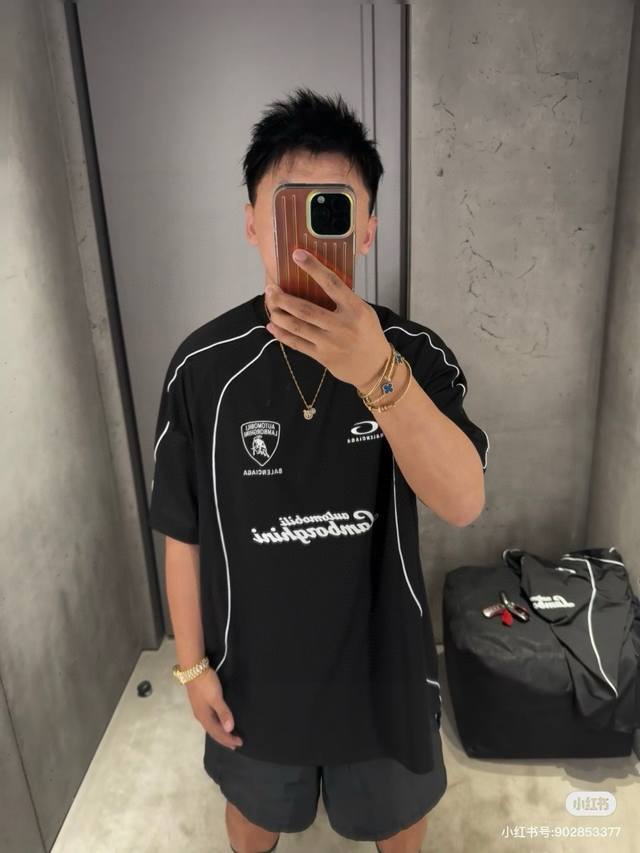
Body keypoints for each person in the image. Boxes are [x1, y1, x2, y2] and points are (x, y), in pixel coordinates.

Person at [149, 87, 489, 853]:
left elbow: (465, 500)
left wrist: (376, 371)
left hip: (385, 670)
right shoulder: (203, 369)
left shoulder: (415, 354)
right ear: (251, 222)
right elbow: (181, 529)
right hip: (254, 675)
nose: (307, 238)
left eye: (331, 211)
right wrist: (192, 667)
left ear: (366, 228)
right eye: (288, 210)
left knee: (400, 826)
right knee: (253, 821)